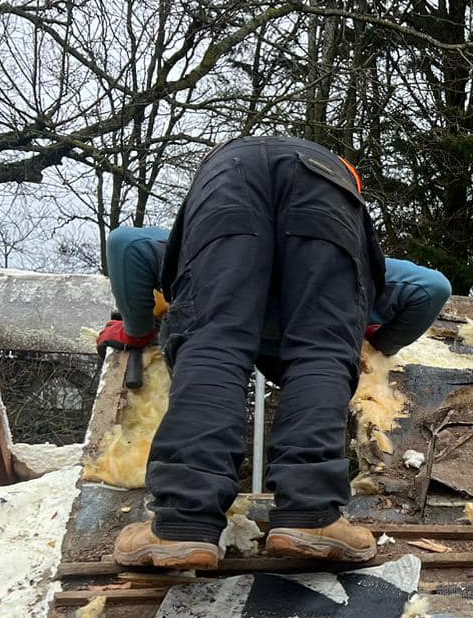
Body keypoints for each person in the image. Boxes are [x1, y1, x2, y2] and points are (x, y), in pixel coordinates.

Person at [100, 135, 451, 569]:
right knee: (322, 349)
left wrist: (137, 330)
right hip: (328, 187)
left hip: (230, 179)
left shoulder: (204, 222)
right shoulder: (371, 275)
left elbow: (126, 245)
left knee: (214, 342)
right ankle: (310, 515)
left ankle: (182, 524)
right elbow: (432, 288)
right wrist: (375, 344)